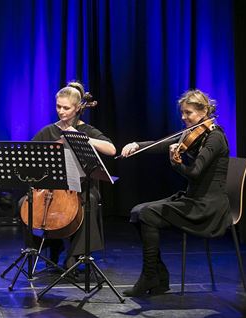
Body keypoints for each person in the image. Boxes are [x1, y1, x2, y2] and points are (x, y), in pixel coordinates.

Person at [119, 89, 231, 296]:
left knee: (147, 214)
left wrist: (176, 163)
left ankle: (151, 276)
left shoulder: (215, 138)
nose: (183, 117)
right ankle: (157, 276)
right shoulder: (196, 134)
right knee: (137, 212)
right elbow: (162, 144)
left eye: (188, 113)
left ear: (204, 110)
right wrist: (137, 145)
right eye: (182, 112)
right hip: (194, 198)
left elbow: (195, 173)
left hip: (207, 207)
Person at [23, 82, 116, 270]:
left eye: (66, 108)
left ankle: (74, 256)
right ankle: (49, 249)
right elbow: (28, 157)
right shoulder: (48, 131)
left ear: (77, 108)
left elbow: (112, 149)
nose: (61, 111)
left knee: (88, 202)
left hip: (82, 187)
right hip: (52, 187)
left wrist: (83, 138)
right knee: (26, 204)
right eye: (58, 106)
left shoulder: (87, 130)